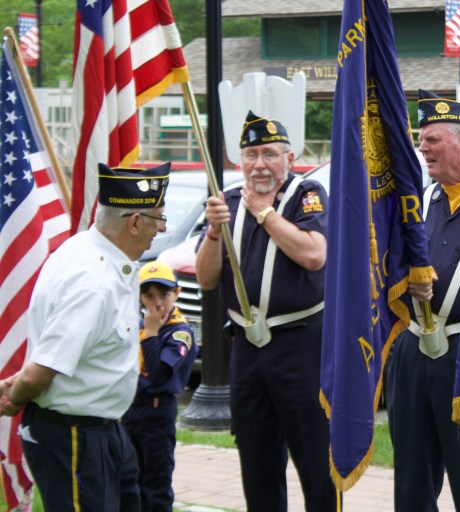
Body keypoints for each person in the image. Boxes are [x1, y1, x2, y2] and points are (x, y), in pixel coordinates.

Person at [0, 163, 171, 511]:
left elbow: (64, 346)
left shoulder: (93, 254)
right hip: (75, 436)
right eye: (158, 220)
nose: (161, 229)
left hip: (102, 430)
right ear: (135, 222)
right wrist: (14, 397)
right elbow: (41, 370)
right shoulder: (93, 280)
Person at [195, 112, 338, 511]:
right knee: (256, 459)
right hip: (247, 348)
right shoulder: (228, 202)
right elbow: (207, 280)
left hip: (300, 345)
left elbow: (313, 255)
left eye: (270, 154)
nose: (260, 164)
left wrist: (264, 212)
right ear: (239, 159)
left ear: (290, 158)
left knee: (315, 455)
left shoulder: (306, 195)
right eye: (251, 154)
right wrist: (211, 233)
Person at [385, 89, 460, 512]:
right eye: (420, 140)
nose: (421, 148)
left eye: (432, 140)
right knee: (411, 480)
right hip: (412, 349)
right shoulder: (417, 202)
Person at [122, 261, 198, 512]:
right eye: (148, 295)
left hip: (156, 414)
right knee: (129, 481)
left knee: (155, 484)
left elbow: (157, 373)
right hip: (130, 411)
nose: (156, 303)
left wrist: (153, 332)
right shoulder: (140, 325)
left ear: (177, 293)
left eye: (163, 294)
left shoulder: (179, 332)